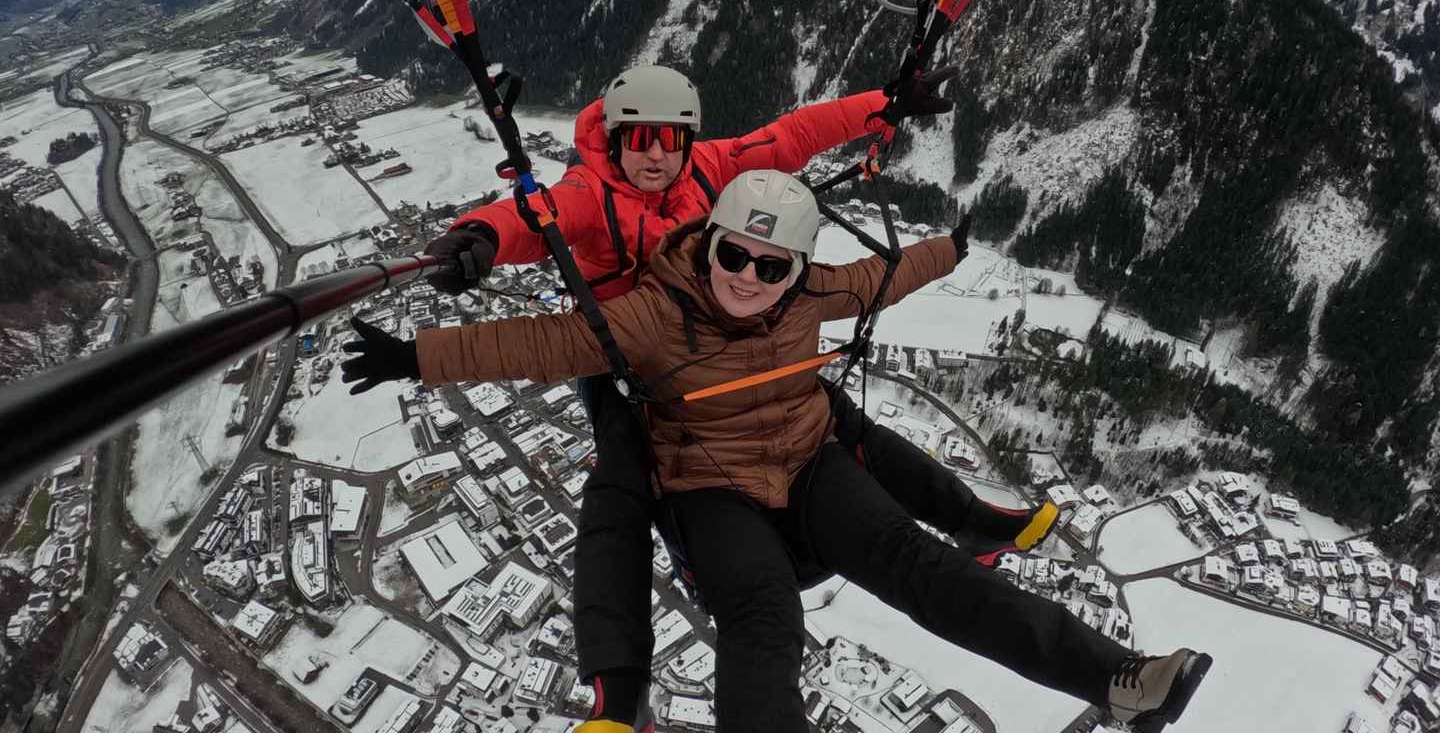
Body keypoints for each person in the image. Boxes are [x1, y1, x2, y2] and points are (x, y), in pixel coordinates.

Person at [344, 170, 1213, 733]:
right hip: (707, 484)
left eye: (773, 267)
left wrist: (953, 250)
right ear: (710, 242)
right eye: (736, 256)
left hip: (807, 461)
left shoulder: (808, 296)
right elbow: (541, 345)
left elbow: (880, 278)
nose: (750, 278)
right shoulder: (655, 310)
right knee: (763, 621)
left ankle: (1118, 677)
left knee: (920, 564)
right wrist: (413, 359)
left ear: (796, 271)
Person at [418, 66, 1061, 730]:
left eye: (671, 137)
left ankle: (973, 521)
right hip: (627, 364)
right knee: (620, 487)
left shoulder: (711, 166)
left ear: (688, 139)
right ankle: (618, 695)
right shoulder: (588, 193)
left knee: (846, 425)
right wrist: (479, 238)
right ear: (614, 141)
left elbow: (790, 138)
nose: (656, 153)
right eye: (638, 138)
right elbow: (529, 220)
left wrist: (882, 104)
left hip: (725, 349)